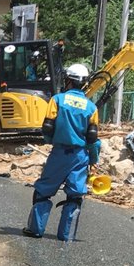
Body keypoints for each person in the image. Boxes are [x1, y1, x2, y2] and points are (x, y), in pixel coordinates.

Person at [23, 63, 101, 242]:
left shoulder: (57, 100)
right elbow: (92, 139)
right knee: (75, 195)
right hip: (80, 156)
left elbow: (47, 127)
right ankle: (66, 235)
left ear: (68, 80)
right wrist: (93, 159)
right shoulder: (91, 108)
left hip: (59, 154)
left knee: (43, 192)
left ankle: (35, 229)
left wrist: (52, 142)